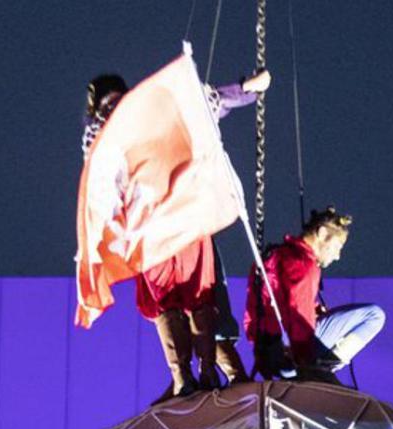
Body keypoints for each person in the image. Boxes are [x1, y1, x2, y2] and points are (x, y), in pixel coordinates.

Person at [82, 69, 268, 397]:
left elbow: (200, 103)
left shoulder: (140, 114)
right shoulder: (109, 133)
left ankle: (204, 372)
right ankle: (186, 376)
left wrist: (246, 88)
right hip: (155, 223)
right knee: (172, 300)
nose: (114, 109)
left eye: (116, 101)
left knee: (197, 295)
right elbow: (101, 185)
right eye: (107, 105)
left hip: (175, 218)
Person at [244, 206, 385, 382]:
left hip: (267, 352)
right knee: (374, 315)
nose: (338, 256)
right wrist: (306, 362)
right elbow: (299, 316)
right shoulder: (304, 265)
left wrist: (315, 309)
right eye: (337, 246)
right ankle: (322, 367)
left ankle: (315, 367)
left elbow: (272, 303)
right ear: (323, 233)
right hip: (292, 354)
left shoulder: (273, 255)